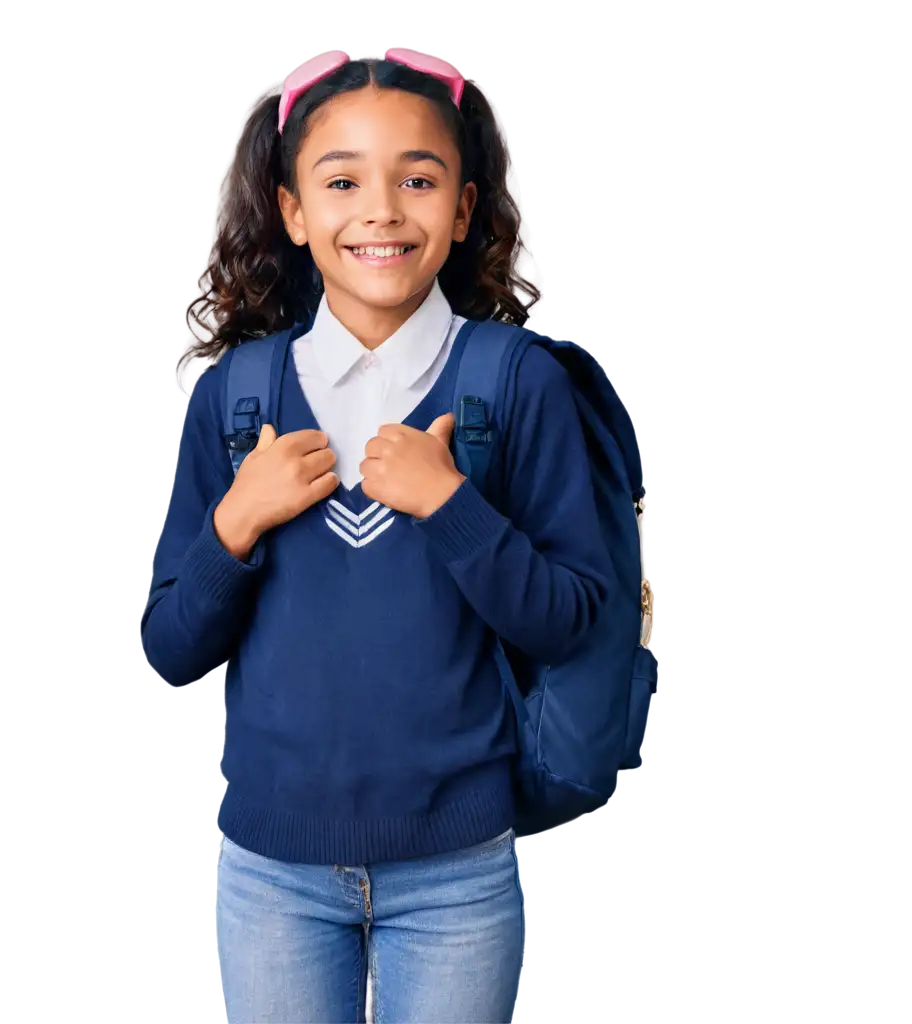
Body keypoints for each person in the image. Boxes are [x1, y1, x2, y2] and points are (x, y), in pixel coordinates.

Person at [136, 45, 614, 1023]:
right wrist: (235, 524)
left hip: (457, 872)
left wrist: (452, 507)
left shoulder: (516, 382)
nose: (383, 208)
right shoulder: (237, 398)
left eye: (419, 178)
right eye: (343, 178)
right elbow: (168, 642)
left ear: (464, 207)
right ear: (294, 212)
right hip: (273, 875)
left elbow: (573, 618)